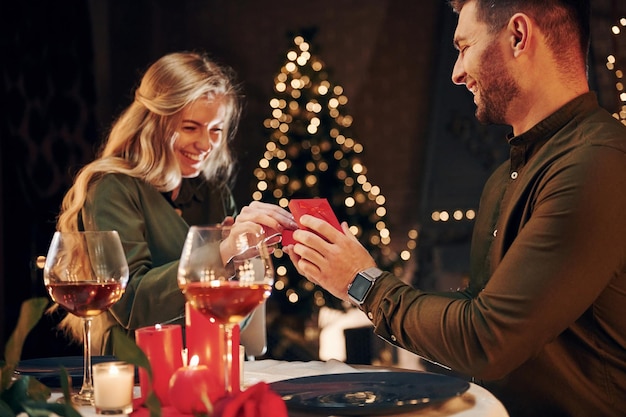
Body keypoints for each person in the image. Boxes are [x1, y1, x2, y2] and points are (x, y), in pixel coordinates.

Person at [284, 1, 626, 416]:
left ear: (518, 36)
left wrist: (362, 282)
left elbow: (487, 341)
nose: (457, 72)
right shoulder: (507, 176)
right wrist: (350, 275)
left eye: (465, 47)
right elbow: (476, 310)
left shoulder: (597, 162)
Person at [54, 51, 296, 355]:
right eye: (190, 127)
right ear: (154, 122)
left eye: (216, 130)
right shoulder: (111, 188)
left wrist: (241, 261)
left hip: (212, 359)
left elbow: (238, 319)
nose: (205, 144)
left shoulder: (215, 193)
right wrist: (222, 252)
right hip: (138, 370)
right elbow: (132, 306)